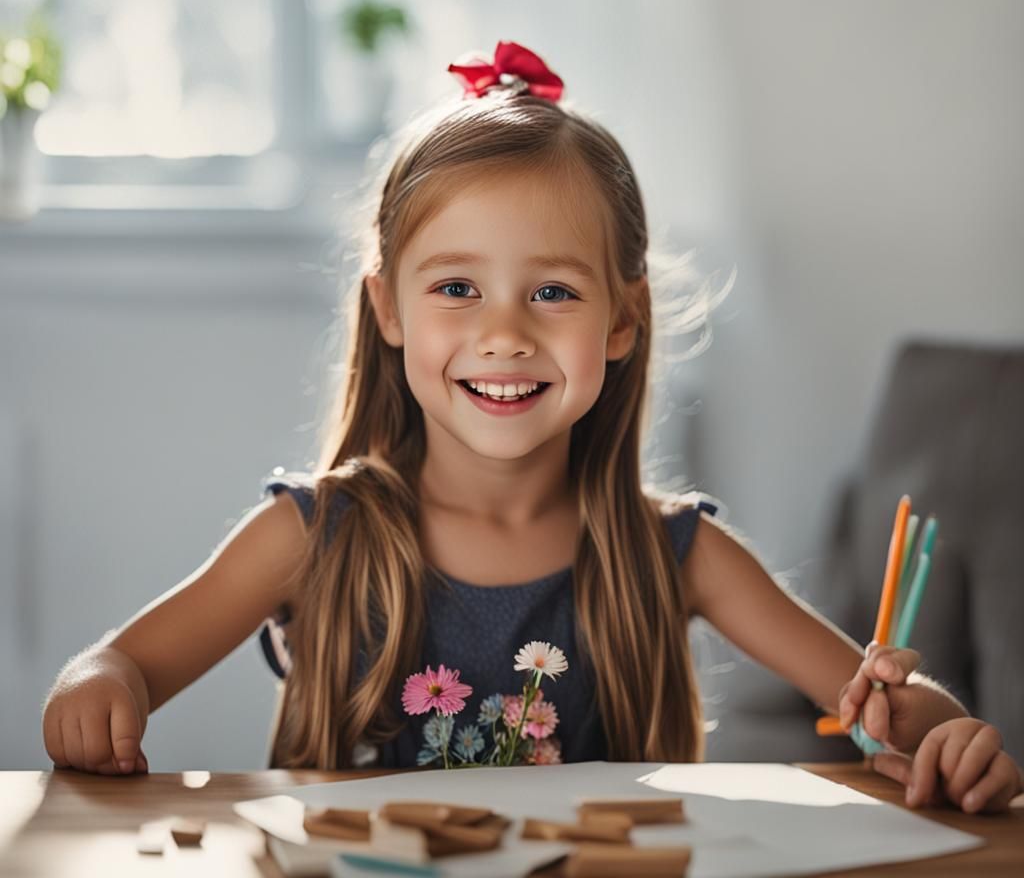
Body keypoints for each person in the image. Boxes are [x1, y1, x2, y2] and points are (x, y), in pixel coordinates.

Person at [42, 41, 1023, 813]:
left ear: (622, 320)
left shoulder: (677, 552)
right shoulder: (308, 536)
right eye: (456, 287)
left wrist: (937, 731)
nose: (503, 333)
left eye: (551, 290)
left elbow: (876, 703)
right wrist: (95, 687)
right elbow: (118, 665)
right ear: (388, 311)